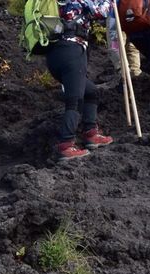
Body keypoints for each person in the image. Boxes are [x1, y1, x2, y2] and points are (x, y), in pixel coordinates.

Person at [45, 0, 115, 160]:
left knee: (90, 92)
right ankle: (66, 144)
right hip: (72, 51)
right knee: (75, 99)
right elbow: (101, 12)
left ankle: (90, 133)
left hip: (54, 54)